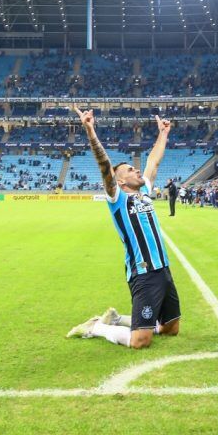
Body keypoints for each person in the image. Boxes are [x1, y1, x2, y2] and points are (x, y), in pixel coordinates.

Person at [66, 108, 181, 349]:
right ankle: (96, 327)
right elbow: (104, 166)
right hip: (144, 274)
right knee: (141, 341)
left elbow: (154, 161)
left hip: (163, 269)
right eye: (130, 170)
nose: (136, 170)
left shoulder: (145, 193)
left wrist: (163, 134)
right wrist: (90, 131)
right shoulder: (117, 198)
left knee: (170, 329)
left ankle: (117, 319)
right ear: (119, 181)